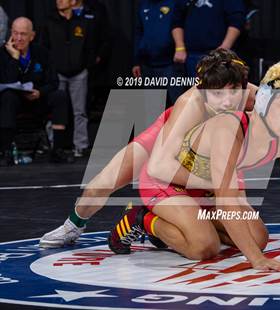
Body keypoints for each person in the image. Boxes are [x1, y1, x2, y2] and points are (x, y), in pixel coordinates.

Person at [106, 60, 280, 271]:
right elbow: (226, 199)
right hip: (168, 182)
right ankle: (142, 218)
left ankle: (183, 225)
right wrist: (256, 260)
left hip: (207, 187)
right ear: (264, 104)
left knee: (256, 237)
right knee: (204, 247)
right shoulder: (229, 127)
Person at [39, 48, 255, 247]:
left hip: (197, 148)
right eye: (218, 91)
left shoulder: (246, 91)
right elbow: (161, 165)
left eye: (234, 90)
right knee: (103, 184)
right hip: (165, 138)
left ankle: (174, 229)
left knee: (235, 232)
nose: (228, 99)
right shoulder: (191, 103)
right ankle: (73, 225)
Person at [0, 17, 73, 166]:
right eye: (15, 33)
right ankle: (6, 151)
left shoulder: (42, 53)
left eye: (23, 34)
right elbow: (7, 81)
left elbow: (53, 82)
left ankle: (58, 150)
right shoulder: (2, 54)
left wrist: (40, 92)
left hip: (37, 99)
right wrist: (14, 58)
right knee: (8, 97)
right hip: (14, 102)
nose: (19, 38)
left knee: (59, 96)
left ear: (32, 36)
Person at [42, 0, 96, 157]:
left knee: (80, 112)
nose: (59, 1)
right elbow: (44, 48)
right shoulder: (49, 21)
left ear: (73, 2)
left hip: (79, 73)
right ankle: (54, 144)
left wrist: (85, 65)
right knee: (55, 109)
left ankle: (80, 145)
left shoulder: (82, 21)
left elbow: (89, 47)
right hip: (57, 74)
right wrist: (51, 70)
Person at [172, 0, 245, 77]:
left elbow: (237, 21)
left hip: (218, 55)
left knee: (218, 87)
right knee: (193, 87)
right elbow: (176, 22)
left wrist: (224, 48)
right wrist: (179, 48)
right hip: (190, 55)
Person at [132, 0, 183, 106]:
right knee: (152, 108)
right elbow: (138, 33)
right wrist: (136, 61)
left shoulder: (174, 3)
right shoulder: (143, 5)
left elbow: (180, 28)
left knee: (178, 105)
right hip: (148, 65)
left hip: (171, 64)